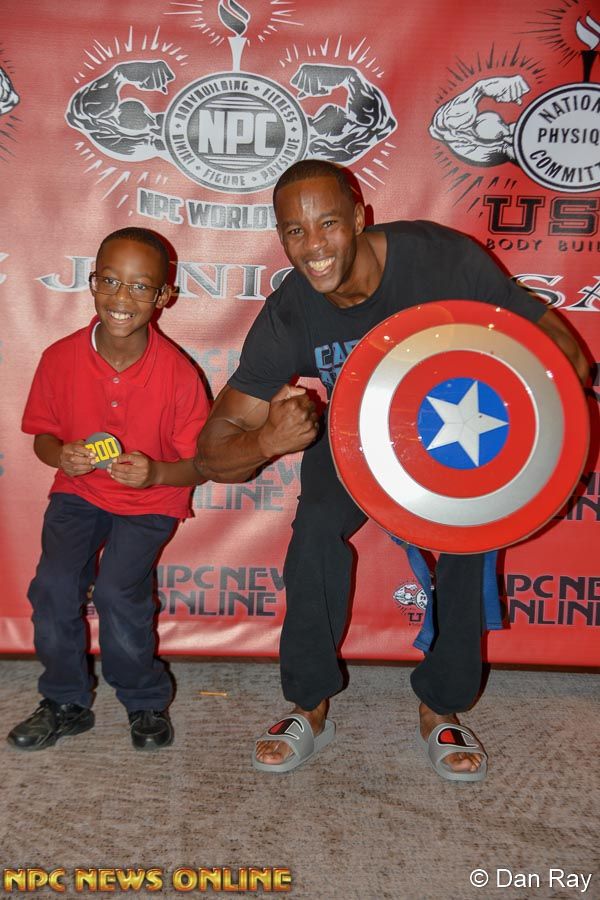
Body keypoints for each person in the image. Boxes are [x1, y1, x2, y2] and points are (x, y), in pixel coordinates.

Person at [195, 159, 588, 781]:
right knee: (316, 529)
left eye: (328, 223)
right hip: (355, 435)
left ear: (359, 218)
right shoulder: (293, 309)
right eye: (295, 231)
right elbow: (212, 452)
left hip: (453, 430)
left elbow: (562, 352)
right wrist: (268, 438)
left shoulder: (440, 260)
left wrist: (531, 425)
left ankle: (442, 706)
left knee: (469, 534)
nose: (314, 246)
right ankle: (308, 704)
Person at [8, 227, 209, 752]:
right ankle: (65, 701)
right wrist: (62, 455)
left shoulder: (179, 375)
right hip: (78, 493)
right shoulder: (59, 357)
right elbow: (43, 438)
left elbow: (199, 464)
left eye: (141, 286)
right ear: (92, 282)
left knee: (120, 591)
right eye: (111, 281)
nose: (123, 297)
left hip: (151, 501)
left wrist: (156, 473)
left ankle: (144, 700)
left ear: (164, 296)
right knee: (54, 585)